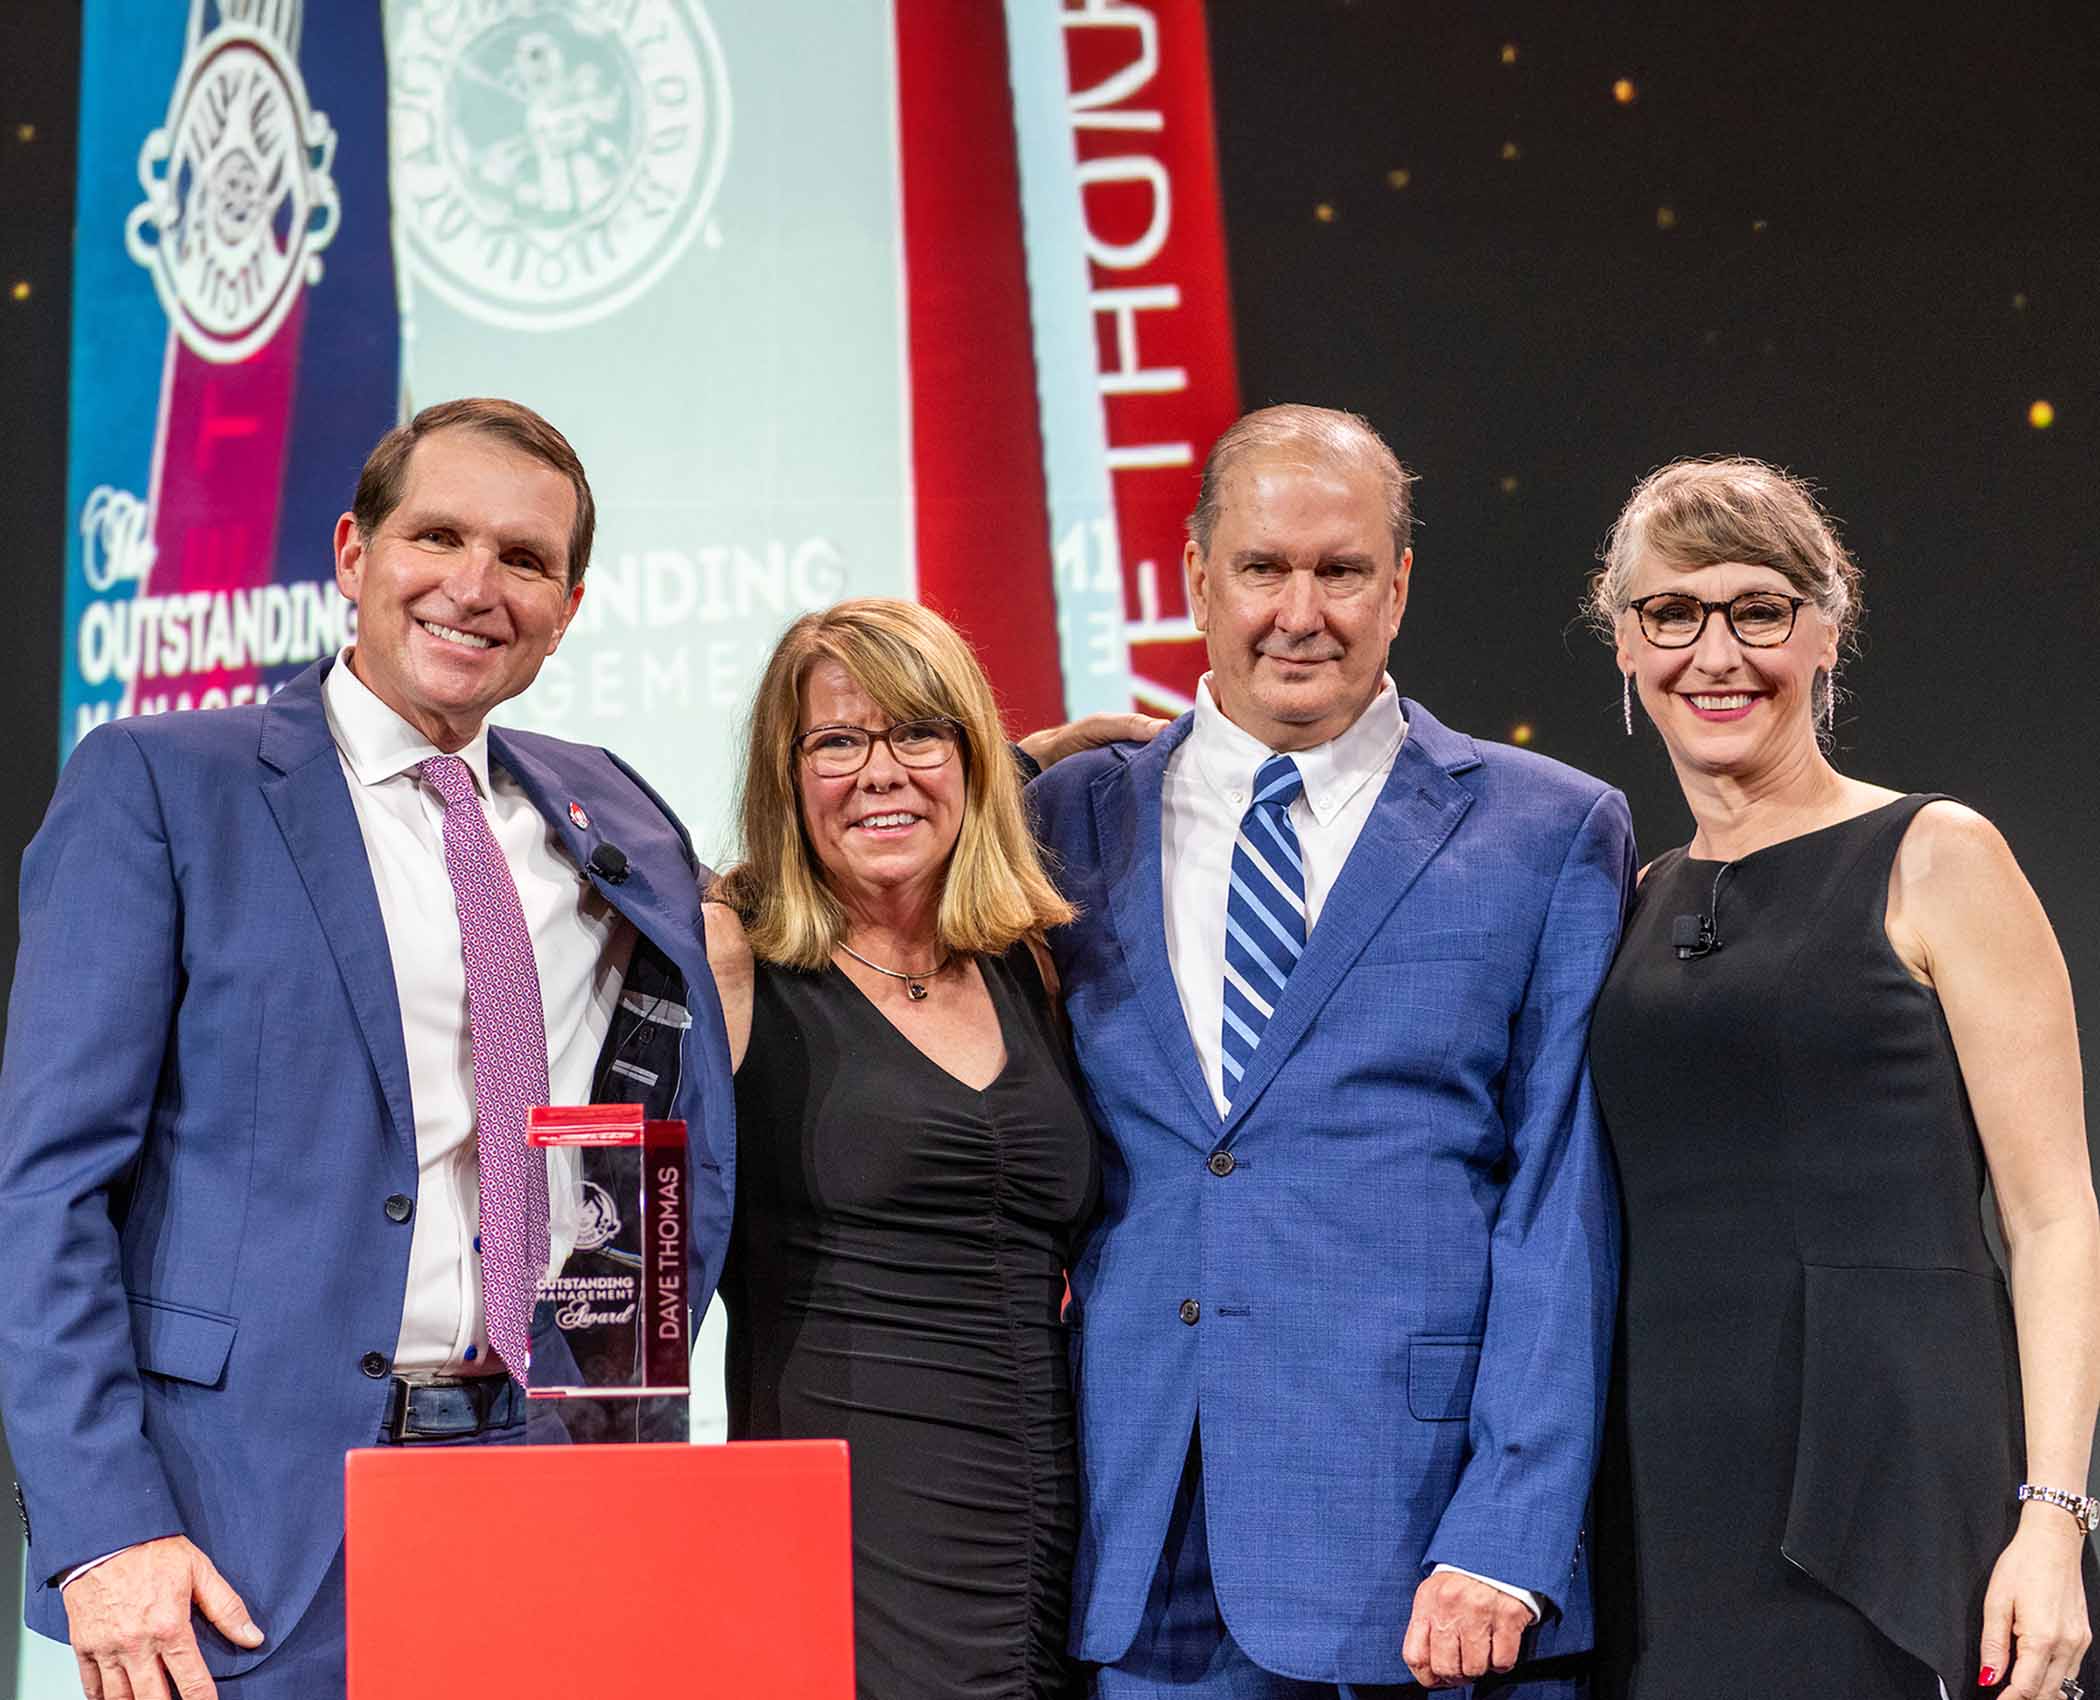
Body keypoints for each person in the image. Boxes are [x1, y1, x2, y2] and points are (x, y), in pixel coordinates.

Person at [0, 398, 735, 1699]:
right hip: (241, 1532)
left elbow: (673, 1109)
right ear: (353, 553)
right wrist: (100, 1526)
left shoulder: (613, 809)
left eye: (524, 558)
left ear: (568, 609)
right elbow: (49, 1189)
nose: (474, 585)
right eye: (437, 536)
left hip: (546, 1487)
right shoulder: (165, 784)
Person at [1025, 404, 1633, 1697]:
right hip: (1142, 1560)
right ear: (1197, 577)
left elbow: (1562, 1204)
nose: (1300, 613)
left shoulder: (1549, 831)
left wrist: (1510, 1531)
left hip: (1428, 1571)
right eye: (1263, 567)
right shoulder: (1063, 819)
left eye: (1342, 570)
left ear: (1398, 586)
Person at [1584, 456, 2100, 1700]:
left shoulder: (1937, 854)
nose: (1716, 653)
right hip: (1665, 1501)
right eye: (1673, 612)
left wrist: (2052, 1518)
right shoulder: (1634, 899)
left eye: (1759, 610)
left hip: (1894, 1489)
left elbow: (2053, 1216)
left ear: (1826, 632)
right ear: (1627, 644)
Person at [706, 598, 1102, 1700]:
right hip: (849, 1536)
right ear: (786, 775)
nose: (881, 772)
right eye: (837, 742)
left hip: (1056, 1526)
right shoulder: (732, 956)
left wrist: (1043, 756)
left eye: (920, 733)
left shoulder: (1025, 960)